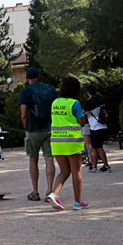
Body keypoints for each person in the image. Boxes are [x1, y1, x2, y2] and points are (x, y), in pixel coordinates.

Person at [45, 77, 88, 211]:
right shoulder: (74, 103)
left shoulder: (55, 103)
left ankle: (54, 193)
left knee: (64, 171)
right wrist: (83, 115)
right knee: (76, 171)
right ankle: (78, 202)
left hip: (57, 142)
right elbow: (82, 123)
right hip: (72, 142)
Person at [18, 67, 57, 202]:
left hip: (33, 129)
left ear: (27, 78)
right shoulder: (51, 89)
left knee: (33, 159)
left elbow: (23, 114)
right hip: (50, 128)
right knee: (49, 159)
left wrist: (26, 127)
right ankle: (50, 191)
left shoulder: (25, 92)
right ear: (39, 76)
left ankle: (35, 192)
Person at [83, 85, 112, 173]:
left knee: (98, 147)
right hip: (102, 125)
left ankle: (106, 166)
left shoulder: (90, 102)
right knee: (95, 147)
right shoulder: (101, 101)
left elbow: (83, 112)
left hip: (95, 127)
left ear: (88, 92)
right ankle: (94, 166)